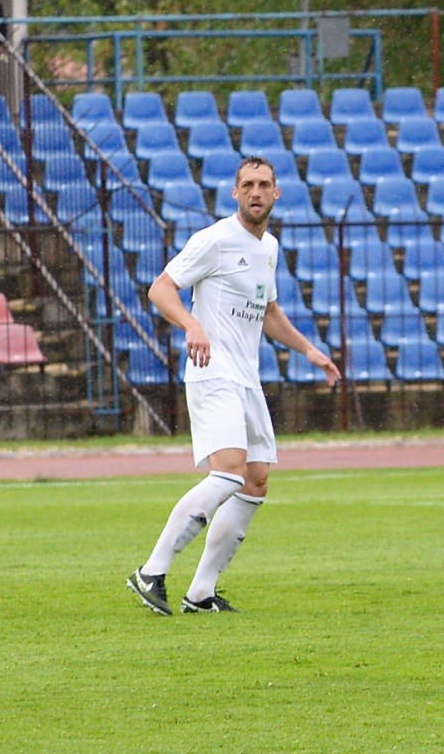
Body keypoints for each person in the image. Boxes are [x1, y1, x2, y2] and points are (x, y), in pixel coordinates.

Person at [125, 157, 341, 615]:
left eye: (264, 185)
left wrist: (309, 351)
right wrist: (192, 325)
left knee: (256, 481)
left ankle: (201, 593)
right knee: (227, 473)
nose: (256, 192)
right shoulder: (215, 239)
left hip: (246, 378)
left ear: (276, 193)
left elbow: (269, 312)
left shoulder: (269, 247)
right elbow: (160, 289)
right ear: (235, 192)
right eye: (248, 185)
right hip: (212, 372)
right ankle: (151, 571)